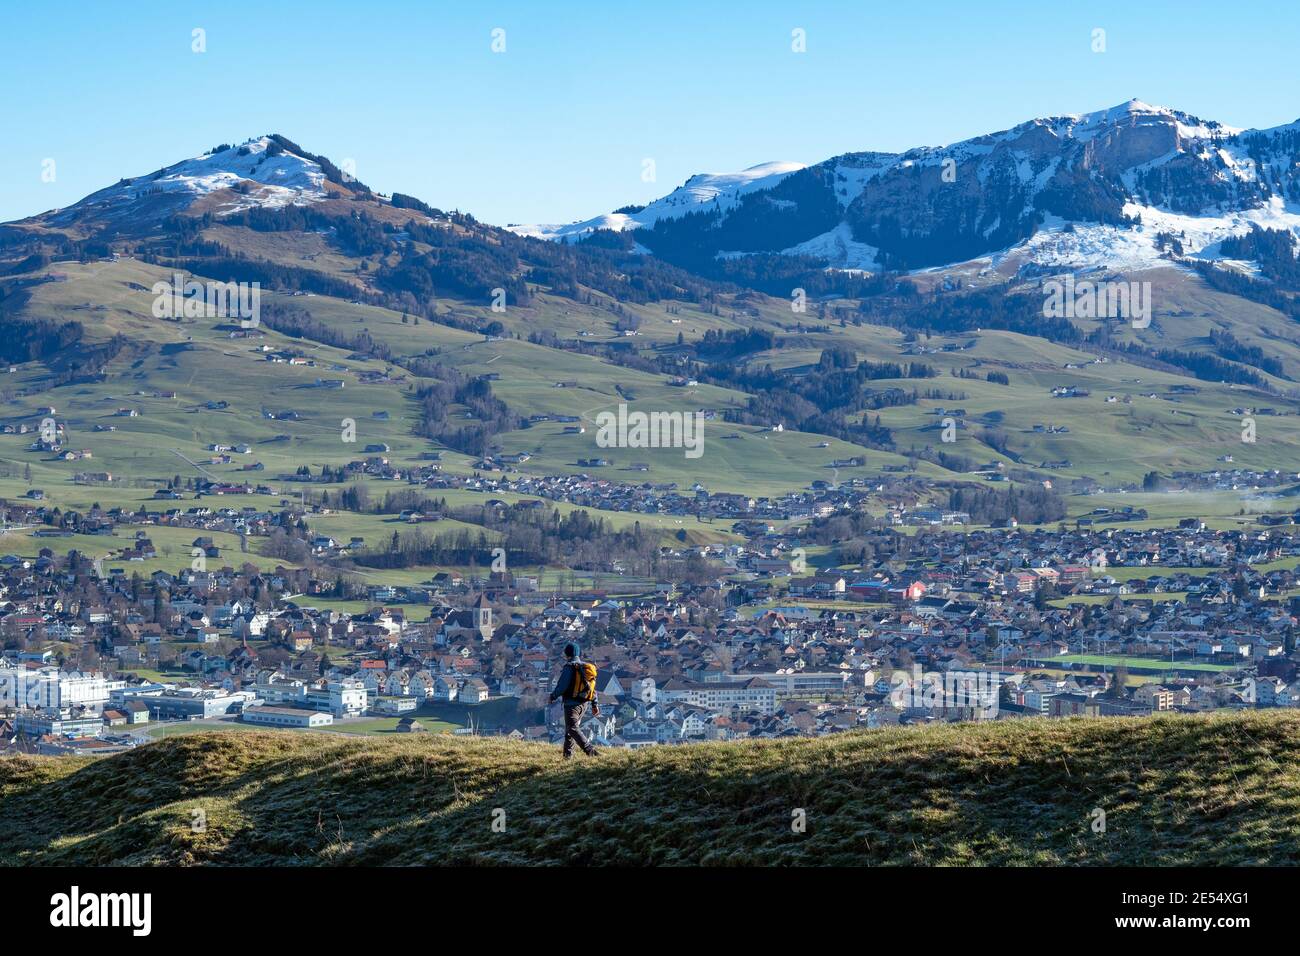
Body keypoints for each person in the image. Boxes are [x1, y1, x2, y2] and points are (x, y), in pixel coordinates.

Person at [549, 642, 599, 758]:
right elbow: (592, 689)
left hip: (572, 704)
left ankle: (591, 751)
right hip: (584, 704)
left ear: (567, 654)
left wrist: (553, 696)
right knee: (569, 730)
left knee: (572, 728)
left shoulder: (569, 667)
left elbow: (562, 686)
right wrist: (594, 704)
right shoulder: (585, 669)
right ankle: (567, 756)